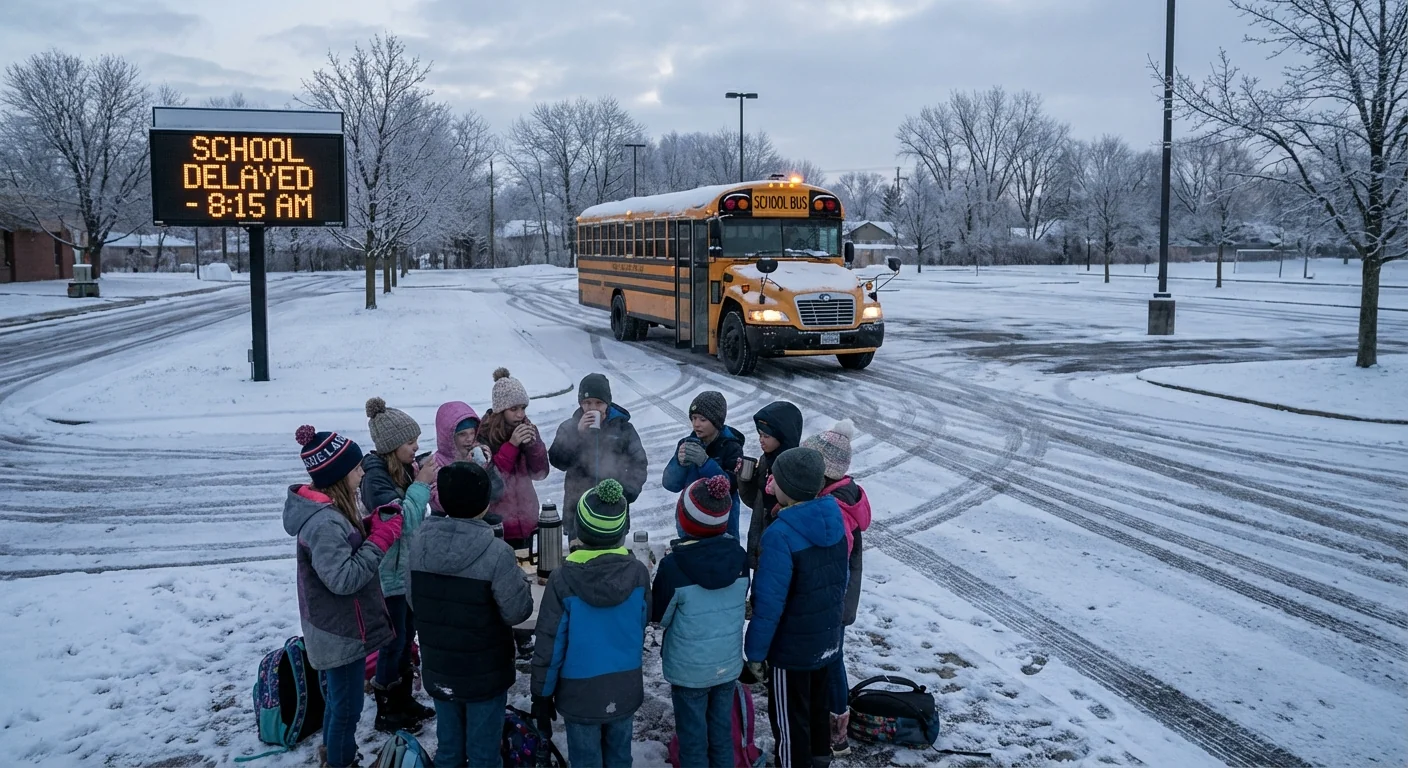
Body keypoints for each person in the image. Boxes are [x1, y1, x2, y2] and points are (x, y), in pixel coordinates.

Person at [284, 425, 402, 768]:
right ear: (338, 475)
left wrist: (369, 525)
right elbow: (343, 578)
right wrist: (380, 540)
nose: (363, 473)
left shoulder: (331, 513)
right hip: (339, 632)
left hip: (341, 626)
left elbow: (342, 550)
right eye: (356, 468)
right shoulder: (323, 523)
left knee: (340, 703)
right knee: (347, 708)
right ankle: (340, 761)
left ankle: (336, 754)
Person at [406, 462, 534, 768]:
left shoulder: (419, 542)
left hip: (440, 668)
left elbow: (413, 600)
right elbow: (518, 611)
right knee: (483, 755)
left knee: (449, 750)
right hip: (484, 675)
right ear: (486, 503)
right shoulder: (497, 552)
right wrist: (521, 581)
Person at [531, 480, 650, 768]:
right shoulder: (638, 573)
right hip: (625, 687)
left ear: (579, 531)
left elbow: (550, 644)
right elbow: (642, 621)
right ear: (622, 532)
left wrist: (541, 695)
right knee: (620, 757)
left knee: (585, 761)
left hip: (579, 694)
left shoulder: (562, 579)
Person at [744, 448, 849, 768]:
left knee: (790, 723)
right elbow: (839, 582)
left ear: (788, 488)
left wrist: (756, 654)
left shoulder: (780, 535)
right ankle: (820, 760)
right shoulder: (835, 520)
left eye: (776, 478)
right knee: (817, 710)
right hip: (825, 642)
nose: (771, 482)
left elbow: (768, 605)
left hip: (791, 652)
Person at [651, 475, 749, 768]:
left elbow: (659, 617)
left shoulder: (673, 566)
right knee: (721, 735)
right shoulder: (740, 558)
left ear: (683, 520)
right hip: (727, 664)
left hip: (688, 670)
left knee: (693, 739)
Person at [360, 397, 438, 732]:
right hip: (388, 576)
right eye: (410, 442)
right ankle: (387, 710)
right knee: (392, 643)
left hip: (407, 571)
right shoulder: (375, 480)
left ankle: (404, 699)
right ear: (392, 447)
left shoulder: (403, 468)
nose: (416, 447)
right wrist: (420, 486)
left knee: (406, 638)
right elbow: (401, 521)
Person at [801, 419, 871, 756]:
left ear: (824, 472)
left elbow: (830, 559)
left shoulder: (837, 509)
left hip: (834, 600)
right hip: (839, 598)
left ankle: (836, 730)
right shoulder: (841, 496)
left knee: (832, 661)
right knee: (832, 658)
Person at [549, 373, 648, 542]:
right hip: (577, 513)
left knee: (613, 557)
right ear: (580, 403)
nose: (592, 408)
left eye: (598, 403)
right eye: (587, 403)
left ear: (607, 403)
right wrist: (577, 434)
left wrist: (624, 494)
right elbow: (557, 461)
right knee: (579, 556)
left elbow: (639, 464)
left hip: (614, 513)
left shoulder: (623, 428)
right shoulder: (569, 427)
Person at [479, 368, 549, 548]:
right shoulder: (484, 435)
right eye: (514, 409)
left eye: (523, 408)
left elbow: (541, 473)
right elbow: (492, 485)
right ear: (500, 410)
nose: (520, 414)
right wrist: (511, 446)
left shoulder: (528, 427)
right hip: (499, 526)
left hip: (527, 520)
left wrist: (533, 446)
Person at [662, 391, 746, 540]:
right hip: (689, 523)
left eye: (702, 419)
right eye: (693, 418)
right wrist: (679, 464)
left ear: (716, 421)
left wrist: (705, 463)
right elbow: (670, 484)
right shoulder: (687, 444)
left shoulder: (731, 447)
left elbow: (731, 485)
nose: (696, 424)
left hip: (722, 527)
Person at [741, 401, 804, 570]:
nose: (761, 440)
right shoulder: (765, 460)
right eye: (760, 435)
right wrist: (745, 480)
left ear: (783, 436)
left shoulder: (794, 469)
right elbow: (756, 503)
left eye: (766, 436)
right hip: (760, 540)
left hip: (780, 549)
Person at [428, 400, 504, 514]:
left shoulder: (480, 454)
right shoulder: (435, 465)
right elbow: (441, 503)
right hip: (447, 523)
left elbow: (497, 492)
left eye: (472, 433)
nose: (469, 439)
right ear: (448, 437)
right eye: (462, 434)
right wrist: (467, 472)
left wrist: (485, 469)